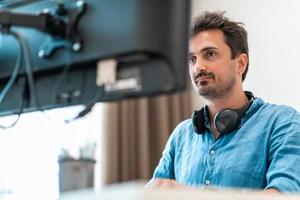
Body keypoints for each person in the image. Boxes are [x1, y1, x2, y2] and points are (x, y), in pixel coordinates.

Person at [147, 11, 300, 193]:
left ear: (241, 64)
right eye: (191, 59)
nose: (198, 67)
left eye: (210, 54)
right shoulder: (181, 135)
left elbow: (285, 195)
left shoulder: (284, 122)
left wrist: (193, 196)